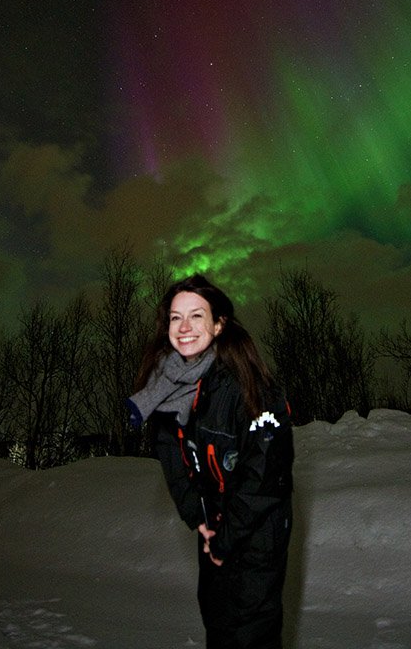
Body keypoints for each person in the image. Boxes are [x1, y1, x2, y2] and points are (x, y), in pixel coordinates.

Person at [127, 274, 294, 649]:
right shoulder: (167, 387)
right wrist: (199, 518)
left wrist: (226, 536)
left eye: (196, 315)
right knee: (218, 625)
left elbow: (266, 472)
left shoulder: (249, 384)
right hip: (214, 526)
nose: (184, 327)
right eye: (175, 317)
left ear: (219, 324)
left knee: (250, 633)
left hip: (256, 530)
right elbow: (173, 458)